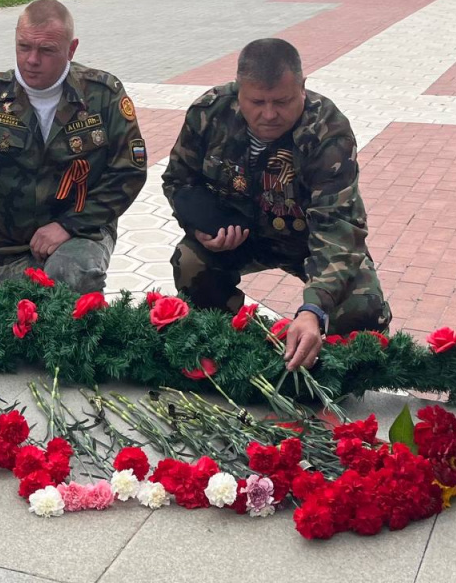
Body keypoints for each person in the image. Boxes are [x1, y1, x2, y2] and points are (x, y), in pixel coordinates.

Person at [162, 38, 391, 372]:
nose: (269, 115)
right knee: (191, 263)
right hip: (243, 236)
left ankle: (336, 373)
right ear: (238, 89)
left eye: (282, 101)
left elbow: (338, 230)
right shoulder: (210, 112)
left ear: (302, 86)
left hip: (309, 241)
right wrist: (204, 226)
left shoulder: (327, 130)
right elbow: (179, 180)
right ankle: (234, 353)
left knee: (362, 306)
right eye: (257, 101)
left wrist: (313, 310)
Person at [0, 0, 147, 293]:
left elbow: (129, 171)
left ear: (71, 49)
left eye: (47, 50)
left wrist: (69, 225)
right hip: (13, 243)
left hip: (84, 230)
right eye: (24, 47)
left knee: (69, 275)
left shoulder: (102, 95)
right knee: (11, 315)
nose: (32, 60)